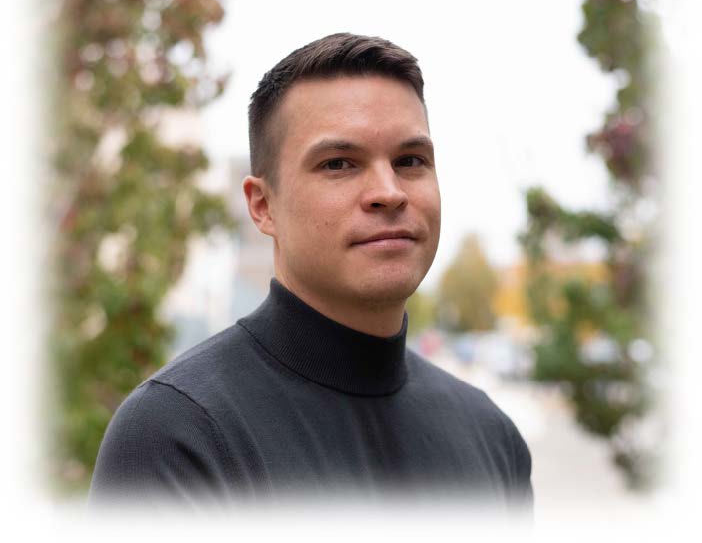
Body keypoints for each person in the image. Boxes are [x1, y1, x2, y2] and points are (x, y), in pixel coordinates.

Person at [90, 33, 533, 512]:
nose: (389, 192)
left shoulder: (492, 438)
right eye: (339, 164)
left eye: (410, 161)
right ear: (263, 206)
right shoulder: (176, 435)